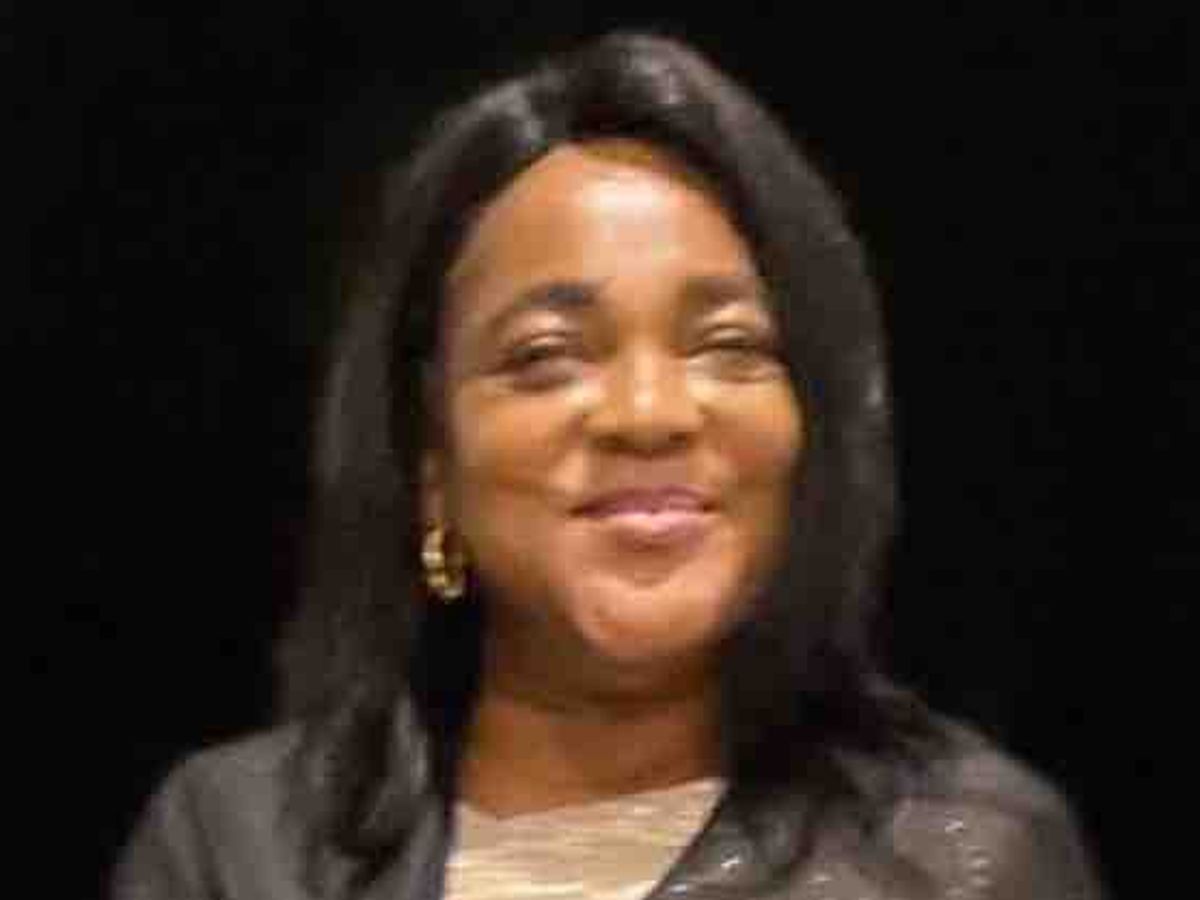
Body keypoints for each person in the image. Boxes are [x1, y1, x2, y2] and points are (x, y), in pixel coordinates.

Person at [112, 31, 1106, 900]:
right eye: (548, 356)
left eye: (728, 345)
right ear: (431, 464)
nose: (648, 414)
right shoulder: (238, 847)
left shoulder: (966, 862)